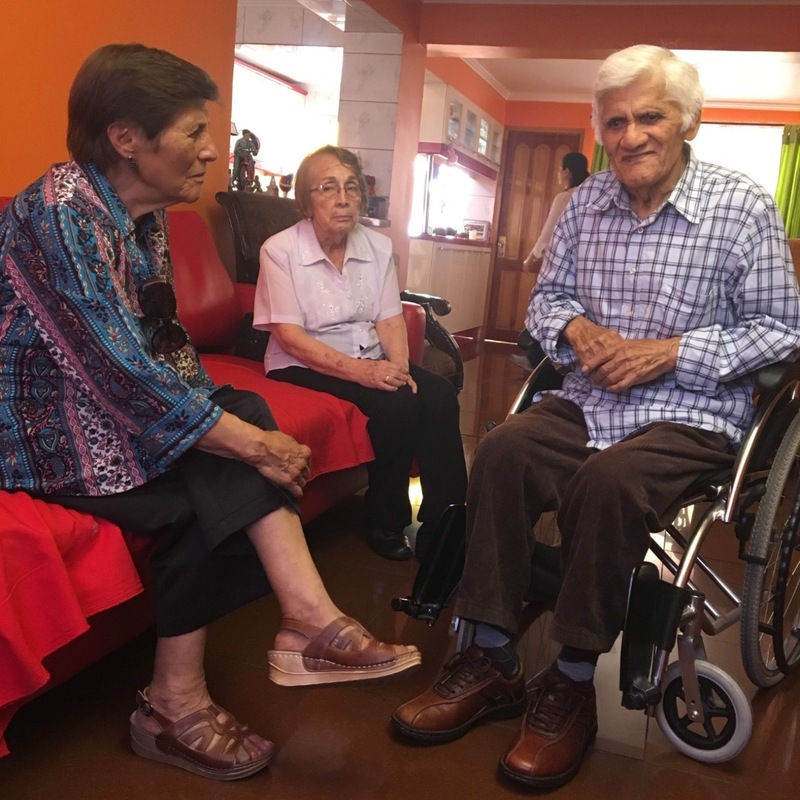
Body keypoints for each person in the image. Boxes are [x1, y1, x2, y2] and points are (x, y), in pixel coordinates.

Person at [0, 44, 420, 782]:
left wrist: (241, 431)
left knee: (241, 409)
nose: (209, 153)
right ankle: (196, 691)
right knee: (214, 476)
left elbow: (167, 348)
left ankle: (285, 634)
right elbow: (120, 372)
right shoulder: (57, 217)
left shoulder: (144, 216)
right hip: (44, 431)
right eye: (194, 132)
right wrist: (253, 448)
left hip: (115, 416)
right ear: (126, 137)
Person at [392, 44, 800, 790]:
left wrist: (671, 352)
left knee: (608, 484)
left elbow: (780, 330)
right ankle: (489, 654)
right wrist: (576, 329)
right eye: (615, 122)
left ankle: (571, 679)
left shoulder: (743, 206)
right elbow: (547, 302)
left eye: (651, 117)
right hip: (589, 398)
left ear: (688, 122)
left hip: (691, 410)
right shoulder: (586, 204)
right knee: (504, 449)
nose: (631, 136)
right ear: (600, 130)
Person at [253, 145, 468, 562]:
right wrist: (363, 373)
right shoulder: (279, 250)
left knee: (438, 394)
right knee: (398, 405)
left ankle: (447, 527)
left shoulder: (378, 247)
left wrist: (399, 368)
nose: (343, 198)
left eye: (351, 187)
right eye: (328, 188)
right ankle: (386, 521)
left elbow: (390, 318)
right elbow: (290, 337)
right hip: (300, 362)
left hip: (369, 357)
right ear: (306, 202)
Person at [512, 152, 591, 370]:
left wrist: (531, 257)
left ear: (566, 172)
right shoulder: (591, 194)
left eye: (559, 169)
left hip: (563, 265)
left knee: (547, 304)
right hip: (588, 270)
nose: (558, 173)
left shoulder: (566, 197)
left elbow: (549, 233)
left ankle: (538, 363)